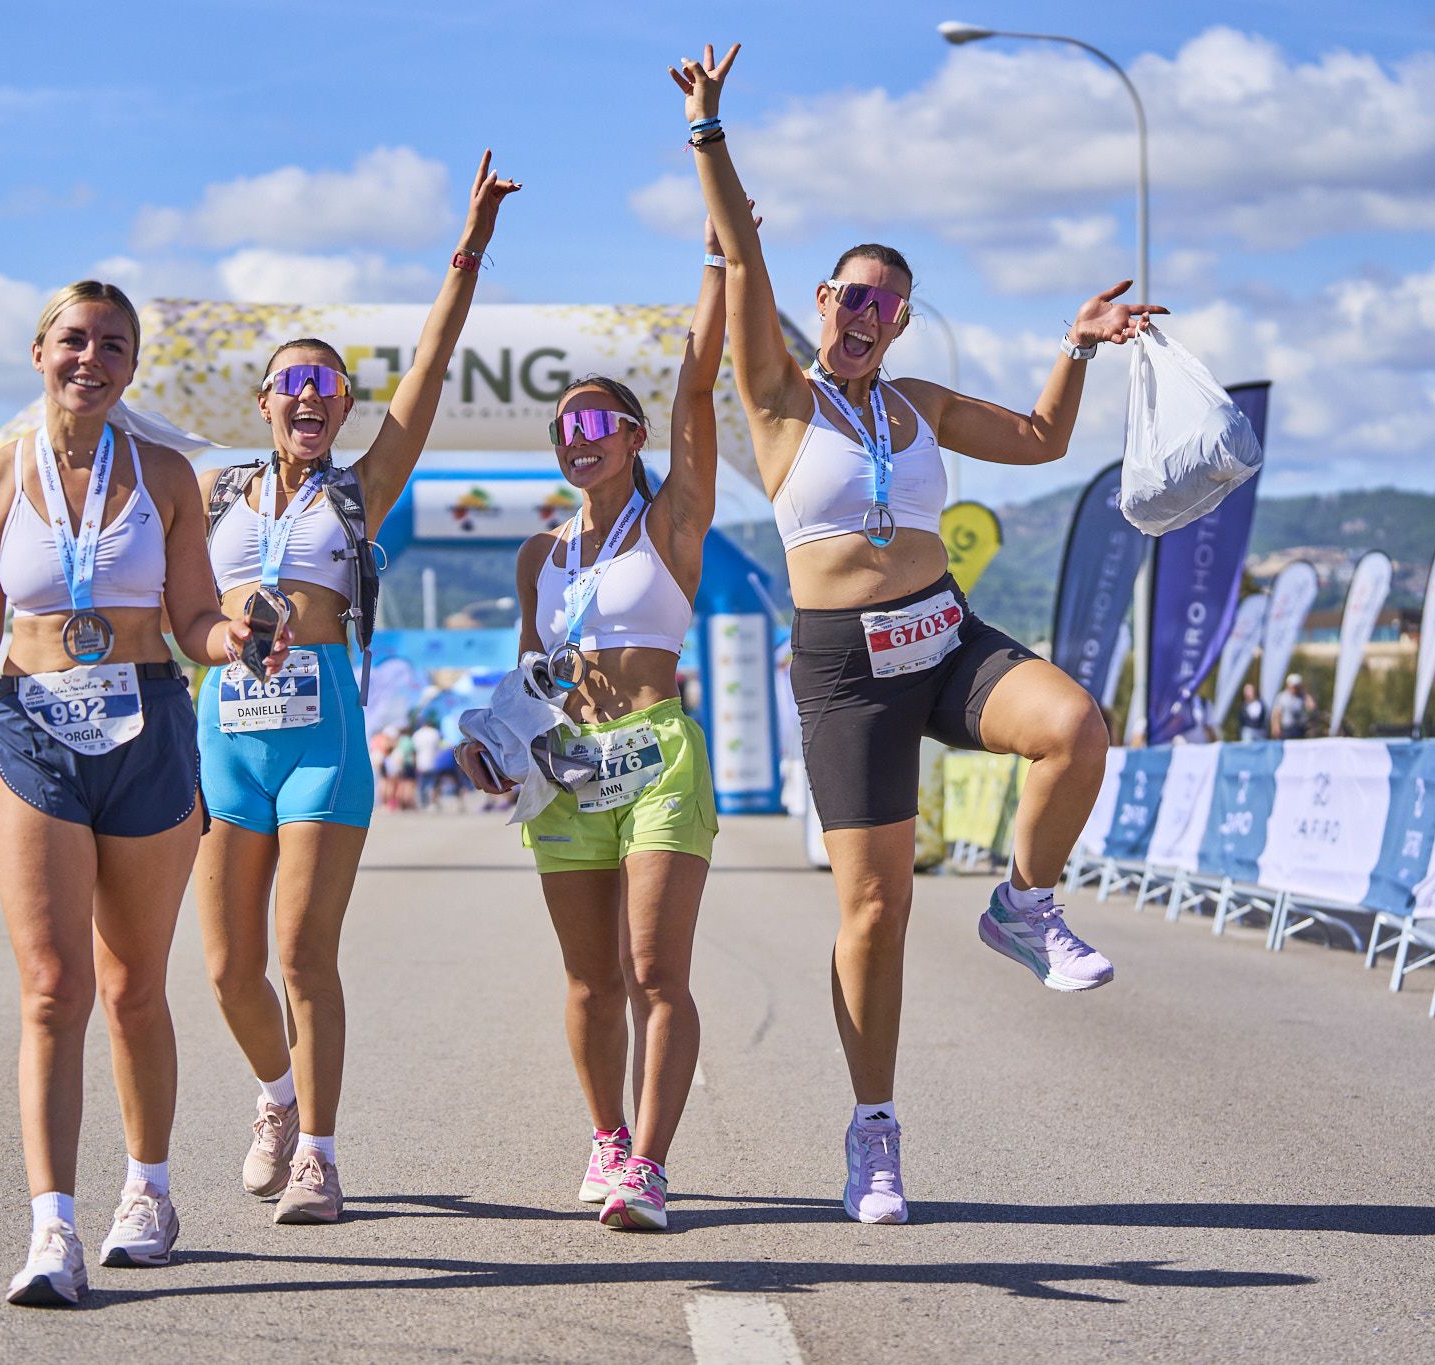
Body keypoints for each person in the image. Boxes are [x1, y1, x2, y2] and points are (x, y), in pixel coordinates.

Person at [677, 43, 1163, 1225]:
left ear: (900, 323)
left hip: (941, 635)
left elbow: (1043, 441)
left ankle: (1023, 903)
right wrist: (708, 132)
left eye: (886, 303)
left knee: (1075, 727)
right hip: (846, 671)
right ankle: (873, 1133)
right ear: (820, 303)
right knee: (874, 910)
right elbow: (738, 249)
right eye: (849, 295)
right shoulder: (779, 397)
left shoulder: (918, 404)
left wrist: (1075, 346)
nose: (865, 314)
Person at [0, 279, 277, 1307]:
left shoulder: (167, 475)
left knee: (134, 986)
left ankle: (147, 1193)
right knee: (54, 988)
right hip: (35, 727)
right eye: (73, 340)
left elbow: (192, 617)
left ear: (131, 367)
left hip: (147, 724)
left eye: (111, 345)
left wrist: (236, 638)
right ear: (39, 352)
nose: (90, 358)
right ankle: (51, 1227)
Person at [194, 152, 519, 1226]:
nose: (310, 397)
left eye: (328, 387)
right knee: (228, 968)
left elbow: (428, 367)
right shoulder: (213, 490)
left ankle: (319, 1157)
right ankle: (276, 1098)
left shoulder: (358, 490)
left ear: (342, 409)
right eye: (293, 383)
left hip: (323, 729)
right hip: (224, 731)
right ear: (263, 401)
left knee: (302, 953)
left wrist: (467, 251)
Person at [456, 206, 739, 1231]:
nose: (578, 441)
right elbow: (524, 674)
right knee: (588, 981)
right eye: (563, 430)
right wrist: (490, 744)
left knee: (654, 970)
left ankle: (649, 1167)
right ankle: (607, 1137)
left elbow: (696, 390)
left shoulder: (670, 522)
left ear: (631, 438)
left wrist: (715, 259)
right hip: (567, 766)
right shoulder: (539, 554)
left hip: (656, 755)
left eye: (596, 425)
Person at [1272, 673, 1314, 739]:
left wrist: (1305, 693)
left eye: (1297, 686)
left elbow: (1312, 707)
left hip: (1300, 729)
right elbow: (1276, 713)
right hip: (1287, 729)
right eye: (1293, 686)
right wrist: (1276, 727)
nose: (1295, 688)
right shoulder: (1282, 697)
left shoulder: (1302, 697)